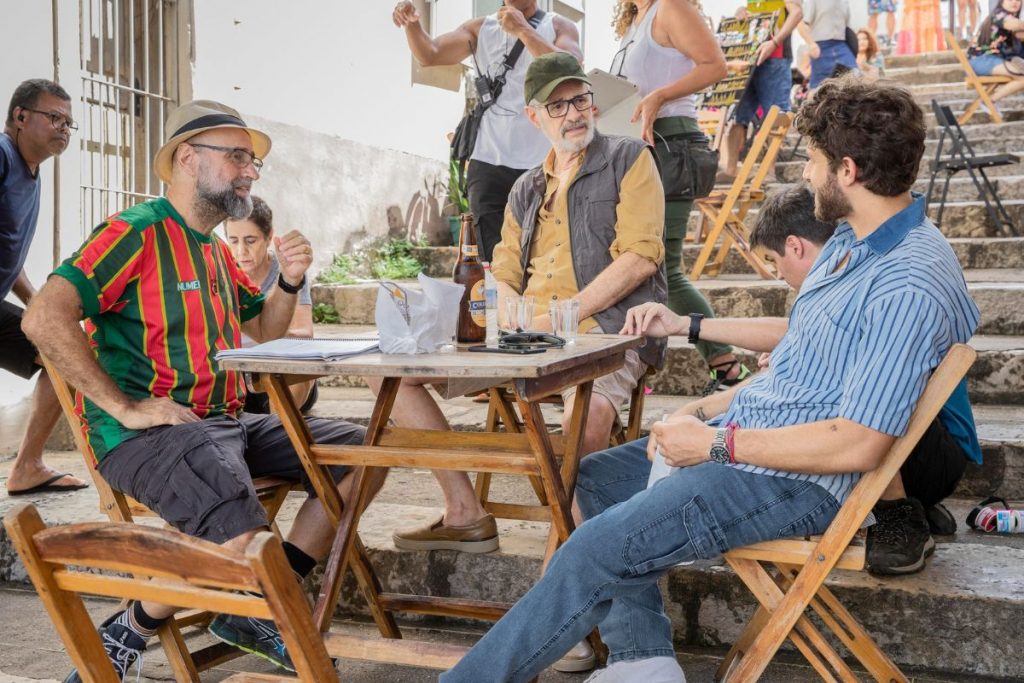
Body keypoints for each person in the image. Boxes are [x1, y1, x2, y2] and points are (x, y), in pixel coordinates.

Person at [439, 75, 979, 683]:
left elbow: (858, 443)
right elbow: (802, 355)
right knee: (592, 476)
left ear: (848, 171)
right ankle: (643, 661)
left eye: (815, 161)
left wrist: (716, 443)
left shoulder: (906, 279)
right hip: (757, 439)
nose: (807, 174)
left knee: (592, 550)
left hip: (796, 479)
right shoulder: (856, 240)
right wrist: (705, 411)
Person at [22, 100, 374, 680]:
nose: (250, 171)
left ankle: (251, 599)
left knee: (359, 456)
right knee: (241, 540)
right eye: (237, 156)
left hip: (226, 423)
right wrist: (123, 406)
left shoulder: (212, 246)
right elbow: (43, 317)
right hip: (152, 435)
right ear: (188, 157)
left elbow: (263, 328)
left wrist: (288, 279)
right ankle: (212, 605)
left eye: (252, 160)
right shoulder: (133, 233)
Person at [375, 53, 667, 673]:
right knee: (395, 376)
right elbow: (500, 272)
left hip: (609, 332)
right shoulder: (525, 187)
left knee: (582, 443)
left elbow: (641, 257)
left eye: (580, 100)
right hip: (526, 339)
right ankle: (465, 509)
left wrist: (560, 316)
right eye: (557, 106)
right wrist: (512, 315)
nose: (572, 114)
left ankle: (565, 615)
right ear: (534, 115)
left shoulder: (630, 160)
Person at [625, 184, 982, 575]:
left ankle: (898, 513)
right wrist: (691, 328)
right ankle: (904, 505)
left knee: (838, 385)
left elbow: (814, 353)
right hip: (906, 451)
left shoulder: (864, 274)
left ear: (796, 246)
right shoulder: (837, 279)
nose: (778, 275)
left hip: (931, 448)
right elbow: (790, 333)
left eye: (774, 262)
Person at [611, 0, 751, 395]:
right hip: (640, 148)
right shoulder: (634, 20)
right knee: (637, 263)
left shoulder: (669, 7)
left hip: (670, 145)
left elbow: (715, 65)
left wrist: (659, 96)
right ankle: (635, 370)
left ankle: (727, 370)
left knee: (663, 269)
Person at [392, 0, 582, 263]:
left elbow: (569, 70)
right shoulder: (481, 28)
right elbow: (431, 53)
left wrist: (524, 30)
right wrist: (412, 24)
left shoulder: (559, 25)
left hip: (543, 163)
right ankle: (500, 305)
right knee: (492, 260)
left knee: (544, 256)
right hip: (488, 161)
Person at [2, 79, 90, 496]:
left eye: (69, 123)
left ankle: (27, 467)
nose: (64, 129)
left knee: (61, 352)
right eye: (54, 117)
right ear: (20, 117)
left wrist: (37, 304)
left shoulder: (30, 172)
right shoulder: (2, 156)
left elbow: (8, 253)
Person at [224, 194, 318, 414]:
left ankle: (282, 434)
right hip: (238, 379)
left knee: (295, 370)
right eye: (233, 240)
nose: (241, 252)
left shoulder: (286, 270)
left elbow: (304, 334)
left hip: (280, 376)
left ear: (269, 238)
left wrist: (261, 332)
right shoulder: (222, 269)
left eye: (250, 240)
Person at [719, 0, 804, 181]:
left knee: (774, 116)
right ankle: (731, 169)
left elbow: (797, 13)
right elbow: (750, 14)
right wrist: (740, 12)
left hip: (776, 58)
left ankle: (769, 171)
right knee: (738, 116)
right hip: (749, 58)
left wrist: (774, 42)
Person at [967, 0, 1024, 104]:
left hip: (990, 60)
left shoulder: (1010, 19)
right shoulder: (999, 14)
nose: (1015, 2)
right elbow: (1014, 25)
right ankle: (989, 102)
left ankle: (989, 102)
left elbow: (1019, 35)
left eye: (1018, 0)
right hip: (982, 60)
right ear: (1002, 2)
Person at [797, 0, 859, 88]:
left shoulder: (844, 2)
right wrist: (811, 44)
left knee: (855, 76)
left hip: (841, 44)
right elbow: (801, 23)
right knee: (819, 87)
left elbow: (847, 27)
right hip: (821, 46)